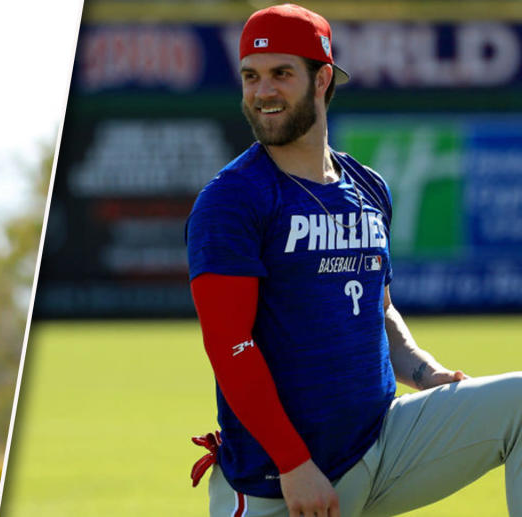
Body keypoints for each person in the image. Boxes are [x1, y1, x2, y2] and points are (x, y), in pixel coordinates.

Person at [186, 4, 522, 516]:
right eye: (251, 76)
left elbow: (379, 311)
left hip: (379, 447)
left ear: (322, 79)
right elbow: (230, 345)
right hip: (279, 482)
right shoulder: (233, 198)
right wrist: (295, 465)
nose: (262, 91)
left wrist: (425, 371)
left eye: (281, 74)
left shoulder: (367, 186)